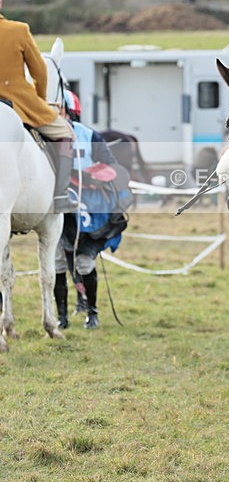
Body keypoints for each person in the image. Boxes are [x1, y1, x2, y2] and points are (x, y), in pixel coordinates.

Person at [54, 90, 132, 330]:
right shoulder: (44, 137)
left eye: (60, 110)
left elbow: (111, 167)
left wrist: (90, 178)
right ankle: (62, 318)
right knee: (57, 262)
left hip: (89, 210)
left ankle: (92, 312)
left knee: (85, 262)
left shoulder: (89, 136)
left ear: (71, 111)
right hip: (58, 208)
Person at [0, 0, 75, 211]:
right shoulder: (19, 30)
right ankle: (61, 196)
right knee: (65, 132)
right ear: (1, 3)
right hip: (19, 103)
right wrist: (40, 99)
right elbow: (40, 71)